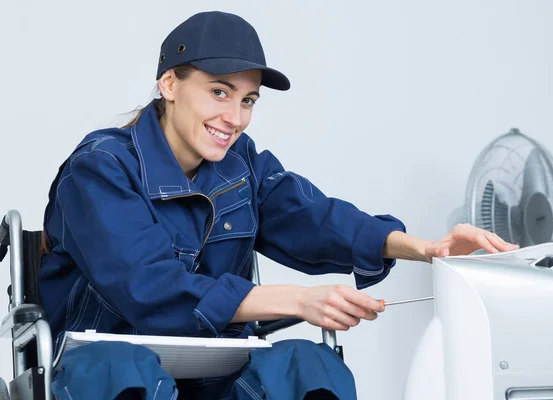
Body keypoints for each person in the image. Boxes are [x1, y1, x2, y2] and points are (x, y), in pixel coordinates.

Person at [38, 10, 517, 400]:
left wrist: (427, 248)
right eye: (219, 92)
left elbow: (311, 215)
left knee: (308, 367)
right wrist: (300, 300)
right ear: (169, 84)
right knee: (126, 373)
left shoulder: (240, 164)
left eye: (248, 100)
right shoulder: (99, 169)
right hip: (105, 368)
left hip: (212, 370)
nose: (235, 117)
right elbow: (152, 288)